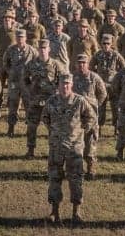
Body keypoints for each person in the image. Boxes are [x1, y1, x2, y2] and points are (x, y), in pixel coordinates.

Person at [42, 73, 98, 225]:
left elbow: (91, 117)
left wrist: (81, 131)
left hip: (74, 148)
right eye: (62, 83)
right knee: (54, 178)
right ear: (58, 84)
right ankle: (54, 212)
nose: (65, 86)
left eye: (67, 83)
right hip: (56, 147)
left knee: (76, 179)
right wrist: (54, 132)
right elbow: (45, 118)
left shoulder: (79, 101)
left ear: (72, 84)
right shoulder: (52, 101)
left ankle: (76, 212)